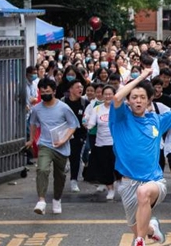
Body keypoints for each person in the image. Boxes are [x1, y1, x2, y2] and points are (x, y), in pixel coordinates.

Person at [110, 68, 171, 246]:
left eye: (142, 97)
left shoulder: (155, 120)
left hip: (153, 182)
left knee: (143, 193)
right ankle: (151, 230)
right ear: (129, 101)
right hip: (127, 183)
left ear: (149, 100)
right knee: (137, 225)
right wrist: (140, 78)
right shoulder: (120, 118)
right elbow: (116, 98)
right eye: (134, 97)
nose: (138, 101)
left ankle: (139, 241)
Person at [25, 78, 80, 215]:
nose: (44, 94)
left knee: (59, 176)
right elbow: (33, 123)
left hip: (61, 147)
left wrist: (64, 139)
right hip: (45, 144)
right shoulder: (37, 109)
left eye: (47, 91)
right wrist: (32, 139)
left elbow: (73, 125)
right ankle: (41, 200)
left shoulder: (63, 107)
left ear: (54, 91)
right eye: (42, 92)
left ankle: (57, 199)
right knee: (42, 169)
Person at [85, 85, 119, 200]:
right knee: (105, 167)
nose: (108, 96)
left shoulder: (118, 108)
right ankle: (110, 189)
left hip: (116, 143)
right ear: (102, 95)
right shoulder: (97, 109)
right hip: (101, 143)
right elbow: (91, 124)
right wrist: (87, 124)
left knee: (117, 166)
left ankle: (119, 184)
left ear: (114, 95)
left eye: (110, 94)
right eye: (106, 94)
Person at [61, 80, 88, 193]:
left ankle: (73, 180)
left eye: (81, 87)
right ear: (70, 89)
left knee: (75, 157)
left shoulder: (84, 103)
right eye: (77, 87)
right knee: (62, 157)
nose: (80, 89)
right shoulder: (63, 102)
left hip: (78, 135)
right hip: (64, 134)